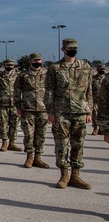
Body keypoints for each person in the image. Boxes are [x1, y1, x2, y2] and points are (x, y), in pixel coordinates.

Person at [45, 38, 93, 189]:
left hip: (80, 111)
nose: (73, 50)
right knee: (61, 145)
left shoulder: (85, 66)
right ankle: (64, 175)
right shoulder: (55, 68)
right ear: (63, 49)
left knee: (78, 144)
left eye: (75, 48)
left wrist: (89, 110)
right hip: (61, 112)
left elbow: (89, 91)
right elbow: (49, 91)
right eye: (70, 48)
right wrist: (50, 112)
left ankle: (76, 176)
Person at [14, 53, 49, 168]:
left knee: (41, 134)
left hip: (43, 109)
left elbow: (52, 91)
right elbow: (17, 91)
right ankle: (29, 157)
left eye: (39, 60)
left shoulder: (47, 74)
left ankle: (38, 157)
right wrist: (18, 106)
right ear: (30, 61)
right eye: (35, 60)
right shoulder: (23, 75)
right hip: (27, 108)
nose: (37, 62)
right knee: (29, 134)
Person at [0, 59, 20, 152]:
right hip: (3, 103)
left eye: (12, 65)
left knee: (14, 123)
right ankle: (4, 143)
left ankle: (12, 143)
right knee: (3, 123)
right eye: (8, 65)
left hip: (15, 104)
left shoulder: (18, 76)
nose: (10, 67)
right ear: (4, 65)